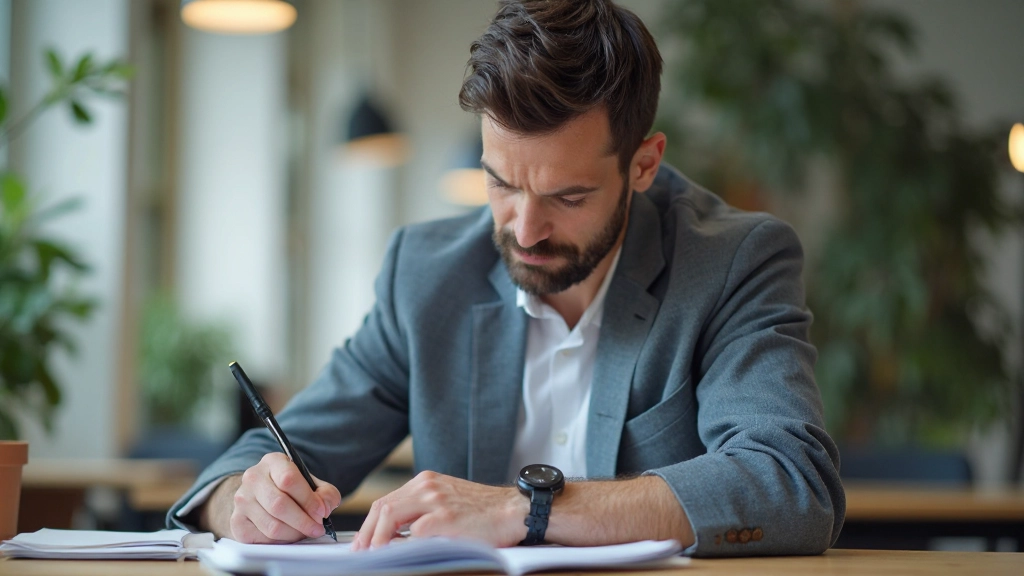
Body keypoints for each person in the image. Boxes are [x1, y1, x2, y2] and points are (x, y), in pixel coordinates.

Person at [168, 0, 845, 557]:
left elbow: (790, 484)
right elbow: (262, 458)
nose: (524, 230)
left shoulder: (733, 262)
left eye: (568, 197)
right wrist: (243, 502)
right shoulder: (427, 276)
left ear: (643, 165)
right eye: (500, 183)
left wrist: (529, 510)